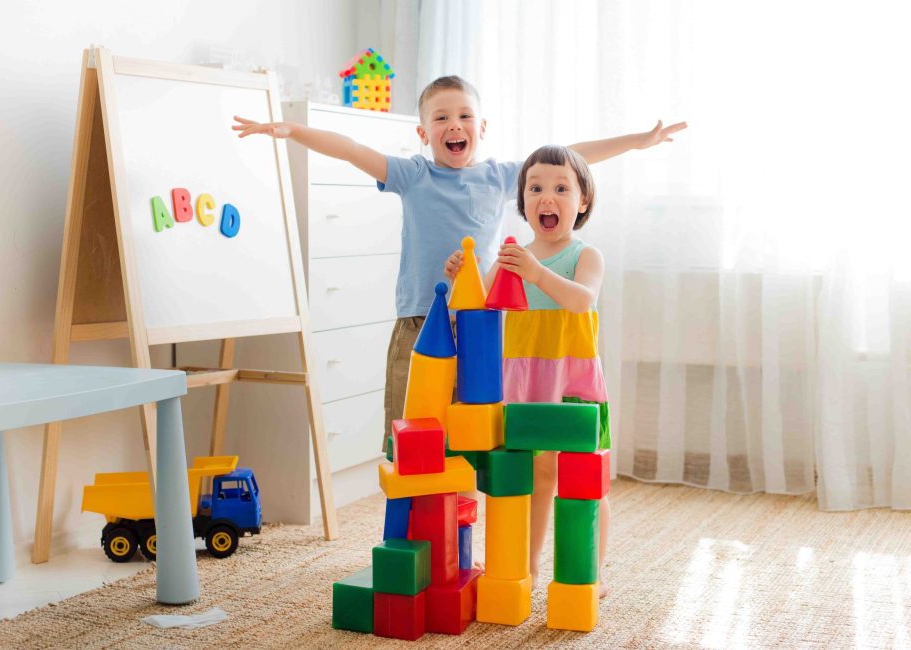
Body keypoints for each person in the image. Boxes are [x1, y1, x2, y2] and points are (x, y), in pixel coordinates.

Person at [233, 75, 684, 454]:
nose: (455, 125)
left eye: (465, 116)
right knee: (410, 432)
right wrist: (294, 131)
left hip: (478, 328)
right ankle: (410, 526)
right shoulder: (412, 174)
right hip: (419, 322)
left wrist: (638, 141)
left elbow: (571, 153)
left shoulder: (501, 177)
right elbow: (351, 149)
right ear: (424, 133)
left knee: (471, 437)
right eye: (442, 118)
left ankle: (458, 533)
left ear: (481, 126)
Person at [445, 144, 610, 594]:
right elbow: (480, 304)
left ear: (583, 201)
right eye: (534, 188)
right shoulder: (512, 258)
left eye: (561, 188)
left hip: (569, 378)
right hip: (522, 378)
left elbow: (582, 300)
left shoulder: (584, 255)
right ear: (523, 203)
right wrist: (464, 273)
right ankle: (530, 566)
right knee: (535, 474)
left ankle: (590, 572)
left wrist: (536, 274)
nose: (546, 197)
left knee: (582, 474)